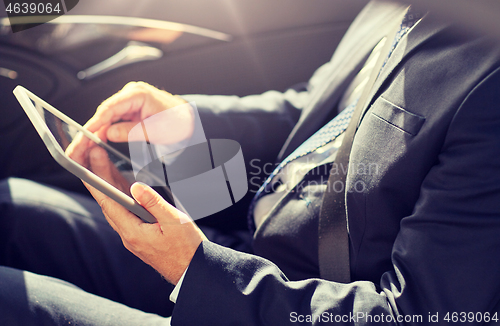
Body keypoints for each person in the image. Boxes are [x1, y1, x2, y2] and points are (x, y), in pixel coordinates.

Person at [2, 0, 500, 324]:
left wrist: (197, 269)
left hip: (295, 301)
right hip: (250, 254)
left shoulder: (489, 82)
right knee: (12, 208)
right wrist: (184, 121)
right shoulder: (404, 8)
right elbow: (318, 112)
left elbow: (420, 314)